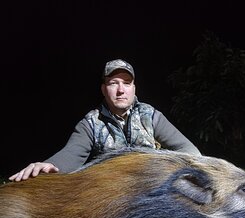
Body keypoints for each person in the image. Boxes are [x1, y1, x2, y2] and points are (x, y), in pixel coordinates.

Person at [9, 59, 201, 182]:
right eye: (113, 83)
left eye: (127, 83)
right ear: (103, 89)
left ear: (134, 88)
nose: (120, 90)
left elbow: (191, 152)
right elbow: (70, 156)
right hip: (110, 195)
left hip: (150, 187)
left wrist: (161, 169)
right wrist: (46, 165)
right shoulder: (91, 123)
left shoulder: (150, 115)